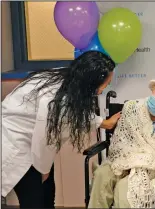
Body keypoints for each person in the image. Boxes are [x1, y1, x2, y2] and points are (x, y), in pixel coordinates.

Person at [1, 51, 121, 208]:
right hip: (16, 145)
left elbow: (75, 113)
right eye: (105, 84)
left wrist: (103, 123)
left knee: (48, 193)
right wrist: (43, 170)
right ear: (91, 81)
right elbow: (45, 139)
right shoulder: (58, 100)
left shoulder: (71, 78)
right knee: (35, 199)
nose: (104, 89)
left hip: (31, 140)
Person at [88, 73, 155, 208]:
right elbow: (122, 143)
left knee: (124, 188)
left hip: (152, 166)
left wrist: (140, 162)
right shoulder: (132, 108)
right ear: (152, 91)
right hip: (123, 159)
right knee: (102, 175)